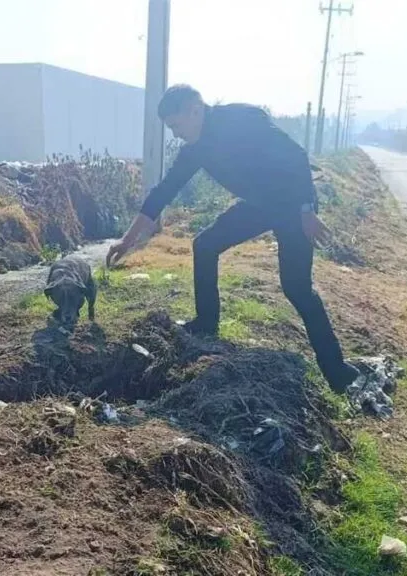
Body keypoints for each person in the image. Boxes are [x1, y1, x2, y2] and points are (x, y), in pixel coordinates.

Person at [106, 85, 361, 393]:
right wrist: (127, 240)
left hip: (295, 204)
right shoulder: (195, 149)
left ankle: (337, 372)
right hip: (258, 205)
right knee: (205, 244)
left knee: (297, 288)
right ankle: (206, 323)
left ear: (195, 110)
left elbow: (296, 157)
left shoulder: (242, 119)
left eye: (177, 126)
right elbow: (163, 192)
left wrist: (307, 209)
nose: (175, 134)